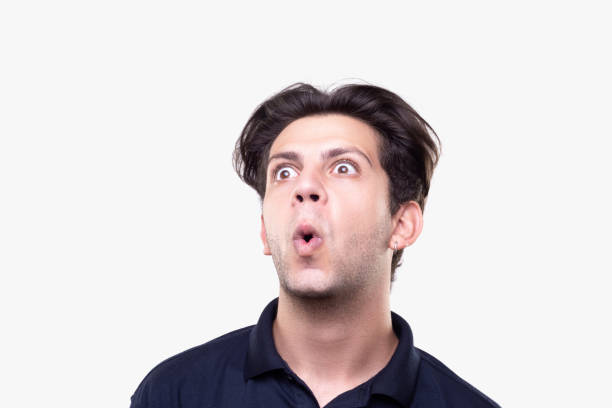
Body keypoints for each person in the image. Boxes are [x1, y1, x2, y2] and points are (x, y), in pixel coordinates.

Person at [129, 82, 501, 407]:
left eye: (343, 167)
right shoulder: (173, 394)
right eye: (284, 172)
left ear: (402, 224)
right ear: (265, 231)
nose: (304, 187)